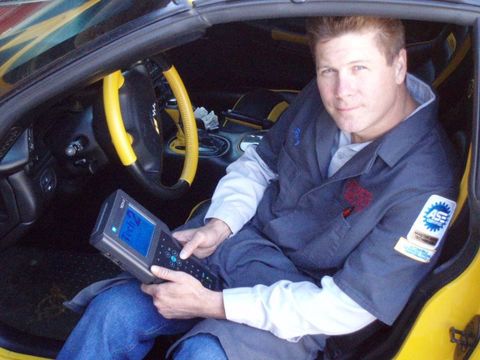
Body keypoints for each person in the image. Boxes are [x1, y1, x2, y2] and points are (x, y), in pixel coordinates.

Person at [58, 15, 459, 360]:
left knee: (203, 354)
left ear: (399, 64)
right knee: (113, 311)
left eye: (360, 68)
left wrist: (217, 306)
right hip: (236, 250)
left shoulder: (425, 185)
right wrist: (220, 225)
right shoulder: (322, 100)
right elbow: (260, 162)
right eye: (328, 71)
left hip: (301, 303)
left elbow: (347, 307)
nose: (342, 92)